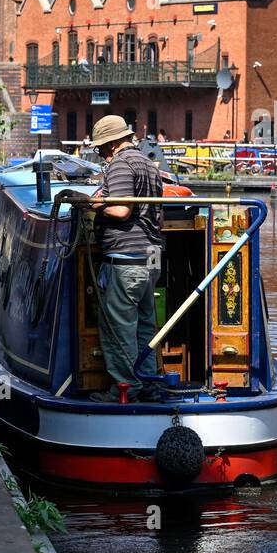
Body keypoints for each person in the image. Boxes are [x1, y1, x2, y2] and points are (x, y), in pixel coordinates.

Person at [87, 114, 164, 403]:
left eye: (101, 149)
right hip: (150, 256)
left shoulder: (120, 163)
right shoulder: (148, 163)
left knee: (119, 326)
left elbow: (121, 210)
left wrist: (95, 203)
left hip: (126, 259)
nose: (103, 155)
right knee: (145, 325)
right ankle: (148, 383)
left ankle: (126, 390)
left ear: (110, 145)